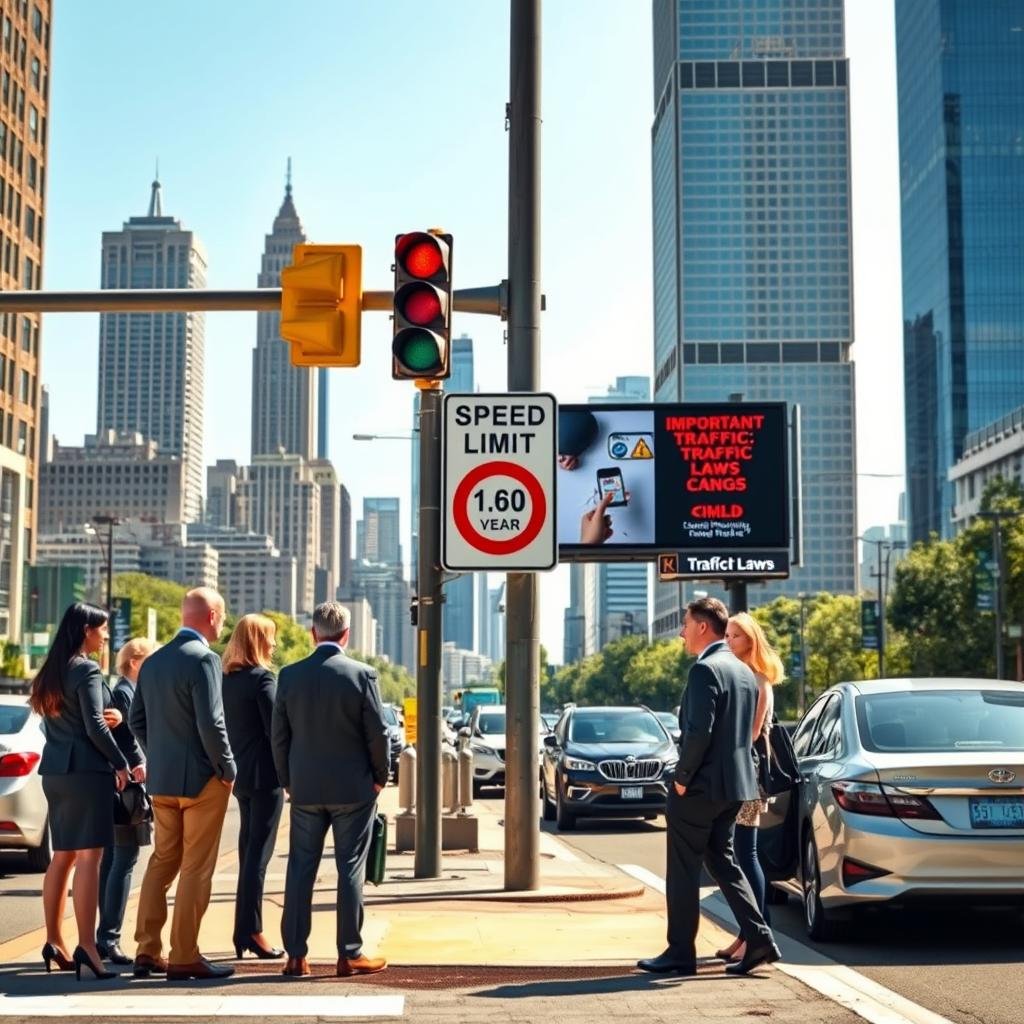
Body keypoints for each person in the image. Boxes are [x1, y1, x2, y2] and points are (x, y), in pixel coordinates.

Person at [637, 596, 779, 977]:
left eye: (685, 624)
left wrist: (681, 780)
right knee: (723, 861)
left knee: (683, 868)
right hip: (735, 786)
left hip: (700, 788)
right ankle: (759, 939)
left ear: (702, 627)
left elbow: (699, 733)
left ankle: (679, 952)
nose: (681, 632)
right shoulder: (744, 671)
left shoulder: (705, 670)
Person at [272, 602, 390, 979]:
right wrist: (380, 777)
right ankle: (349, 954)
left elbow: (279, 738)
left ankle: (295, 956)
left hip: (304, 789)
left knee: (299, 869)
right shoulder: (363, 675)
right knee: (349, 868)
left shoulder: (288, 676)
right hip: (354, 789)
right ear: (347, 635)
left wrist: (288, 780)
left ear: (313, 634)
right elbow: (378, 734)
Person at [129, 587, 236, 982]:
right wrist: (227, 767)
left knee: (162, 861)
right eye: (222, 618)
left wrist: (158, 752)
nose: (222, 624)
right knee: (195, 867)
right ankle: (185, 954)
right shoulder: (205, 660)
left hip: (162, 779)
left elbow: (136, 719)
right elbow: (212, 722)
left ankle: (146, 950)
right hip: (202, 780)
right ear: (211, 617)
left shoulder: (153, 662)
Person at [31, 603, 131, 981]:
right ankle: (88, 947)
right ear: (86, 630)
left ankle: (55, 940)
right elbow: (94, 726)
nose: (106, 636)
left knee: (64, 857)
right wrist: (121, 763)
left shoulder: (52, 670)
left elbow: (76, 720)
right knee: (90, 858)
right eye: (102, 629)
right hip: (87, 773)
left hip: (56, 772)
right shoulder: (86, 668)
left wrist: (112, 717)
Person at [716, 612, 784, 964]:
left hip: (750, 777)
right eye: (726, 635)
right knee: (738, 856)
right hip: (738, 774)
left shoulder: (759, 680)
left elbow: (753, 734)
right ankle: (747, 934)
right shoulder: (741, 676)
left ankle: (759, 936)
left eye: (736, 636)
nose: (728, 641)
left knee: (745, 854)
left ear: (751, 641)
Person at [221, 613, 284, 961]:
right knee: (258, 858)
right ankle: (253, 932)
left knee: (248, 854)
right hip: (267, 778)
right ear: (259, 641)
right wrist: (289, 775)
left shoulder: (227, 679)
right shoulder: (262, 680)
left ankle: (242, 930)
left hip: (241, 778)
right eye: (270, 638)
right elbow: (277, 733)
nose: (274, 644)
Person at [96, 637, 158, 965]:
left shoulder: (128, 691)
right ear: (134, 662)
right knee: (124, 857)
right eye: (150, 660)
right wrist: (137, 763)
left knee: (112, 859)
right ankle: (109, 937)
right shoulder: (124, 693)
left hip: (121, 786)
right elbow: (122, 737)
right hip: (127, 787)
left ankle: (105, 935)